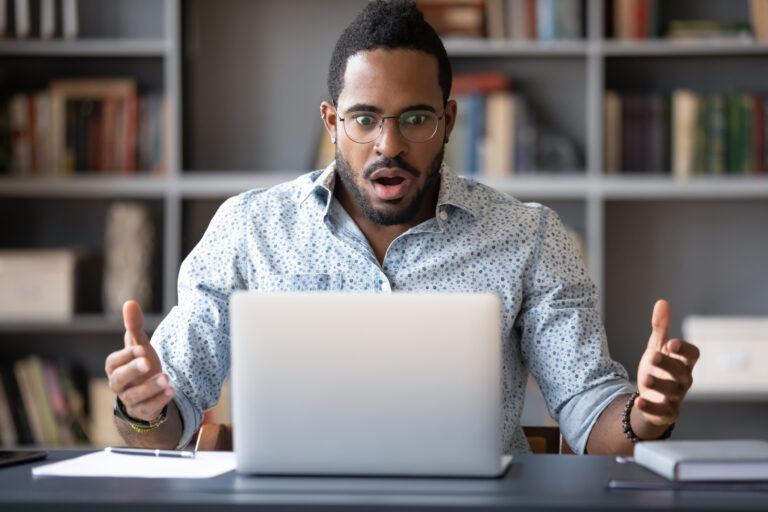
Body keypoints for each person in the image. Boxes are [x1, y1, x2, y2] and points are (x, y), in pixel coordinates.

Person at [105, 0, 699, 454]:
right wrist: (143, 405)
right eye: (364, 119)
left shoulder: (530, 237)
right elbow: (162, 421)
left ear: (447, 119)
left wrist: (644, 416)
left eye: (415, 118)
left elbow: (589, 410)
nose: (389, 145)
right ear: (333, 121)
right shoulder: (248, 229)